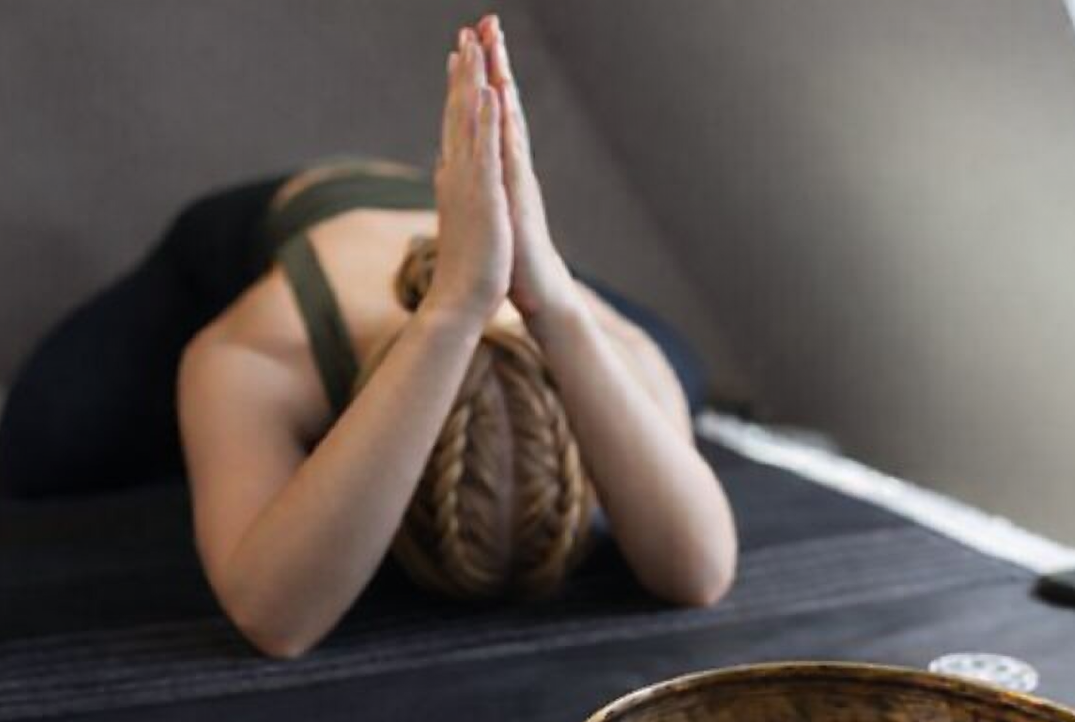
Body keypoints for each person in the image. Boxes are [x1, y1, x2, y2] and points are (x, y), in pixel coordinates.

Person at [168, 15, 736, 657]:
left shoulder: (597, 332)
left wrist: (551, 301)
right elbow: (276, 620)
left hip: (505, 250)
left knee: (685, 373)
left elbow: (702, 572)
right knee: (53, 437)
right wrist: (455, 308)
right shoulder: (265, 351)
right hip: (289, 213)